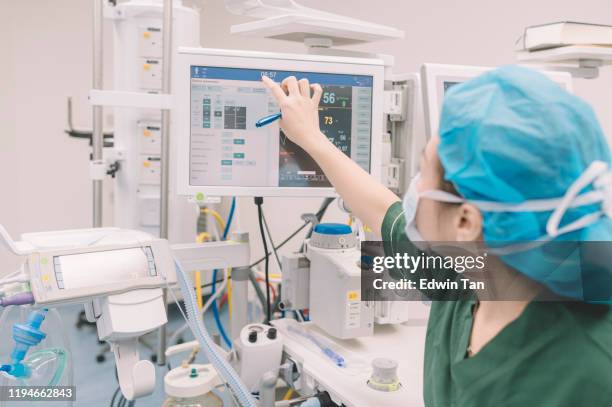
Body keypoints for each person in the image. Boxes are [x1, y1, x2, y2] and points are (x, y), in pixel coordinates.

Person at [262, 65, 612, 406]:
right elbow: (383, 210)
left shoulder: (588, 373)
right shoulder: (473, 269)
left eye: (421, 170)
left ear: (465, 221)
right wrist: (310, 137)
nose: (413, 188)